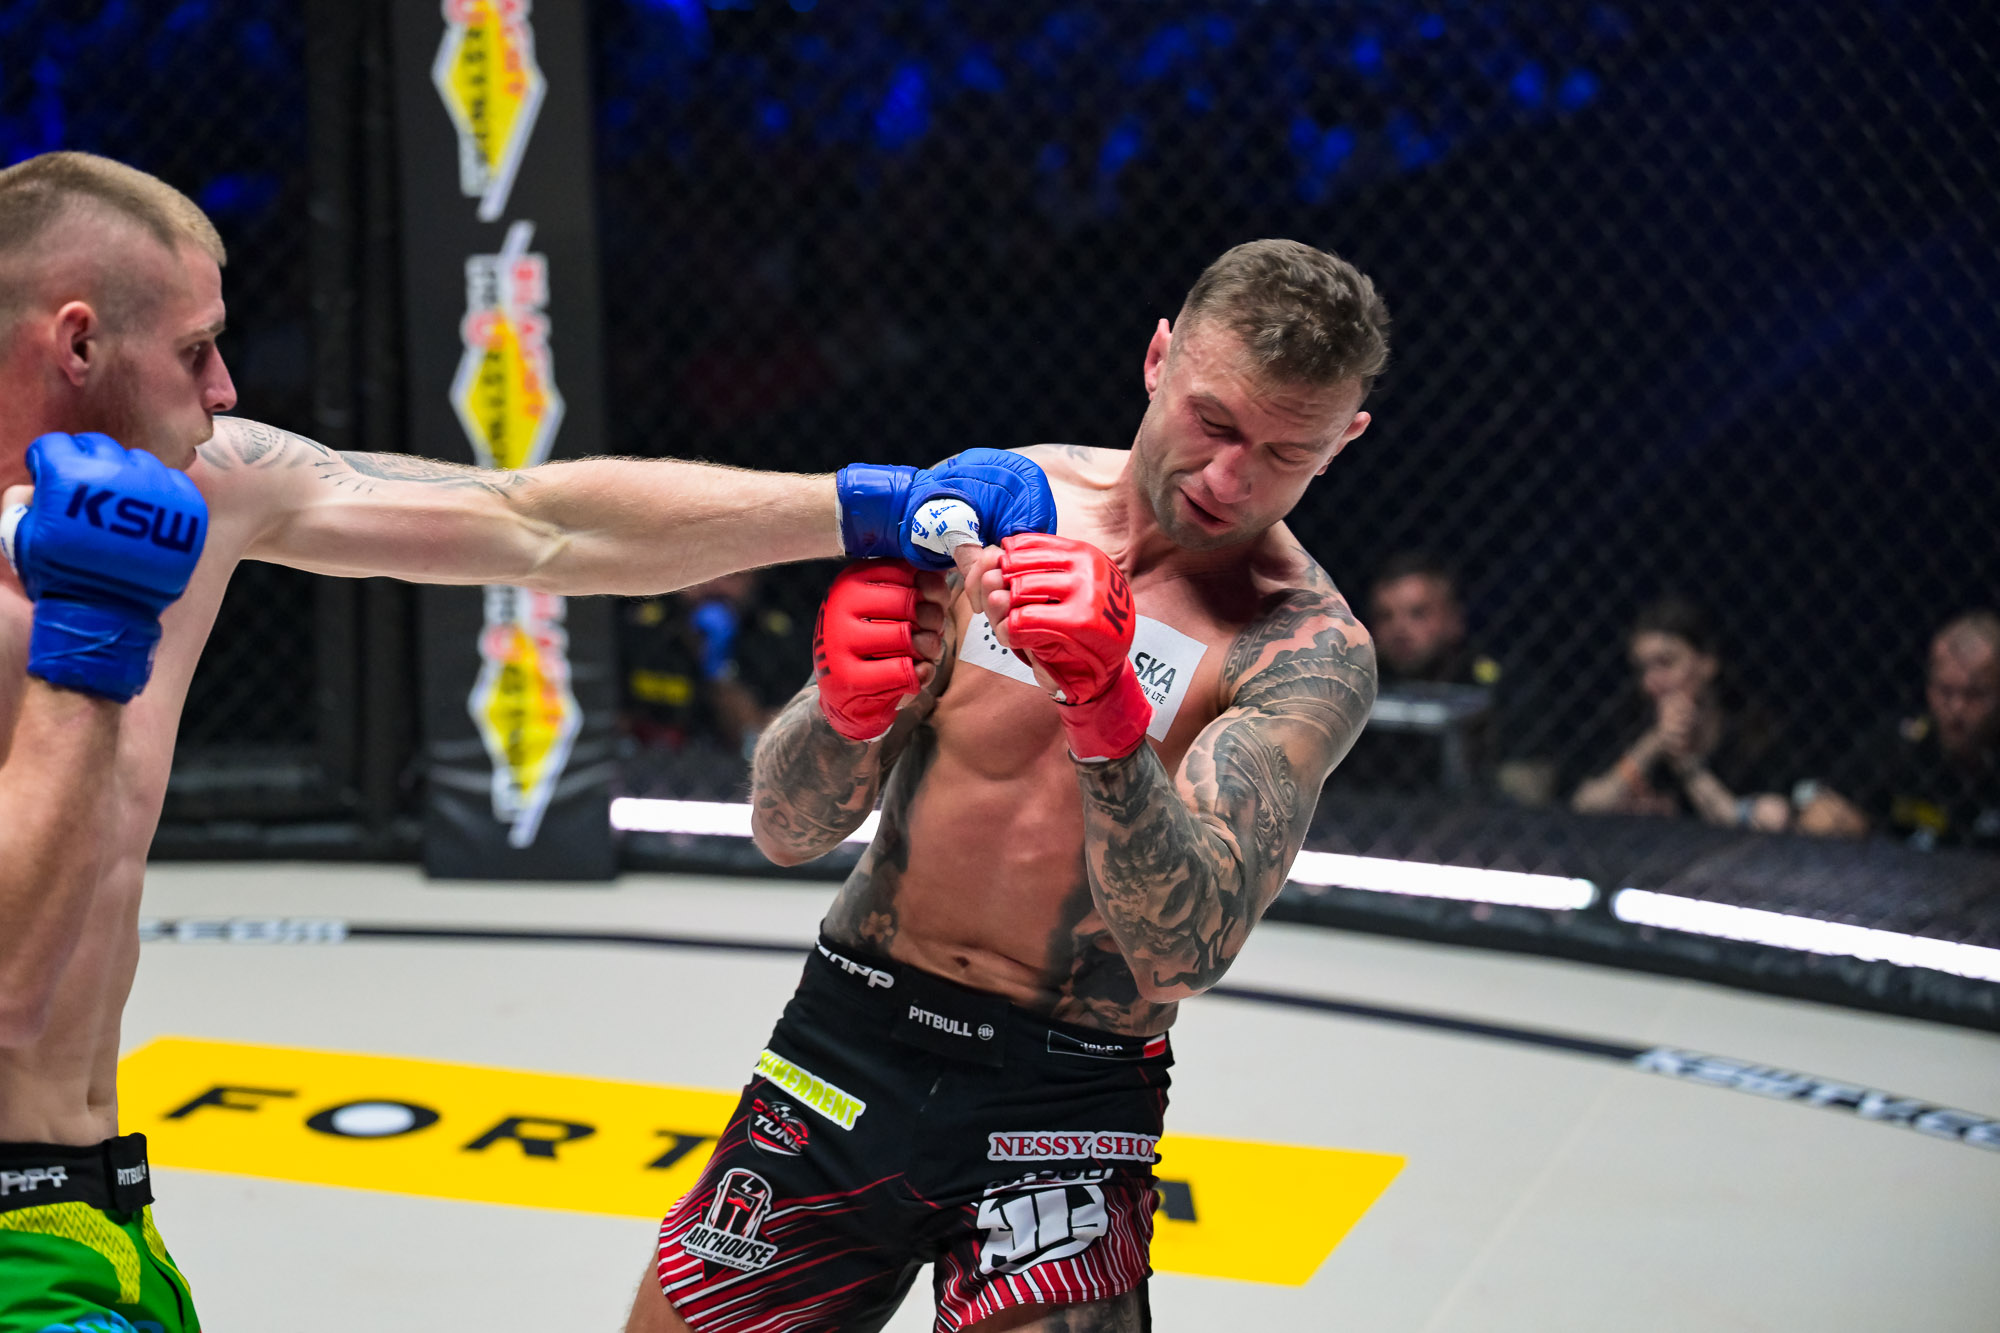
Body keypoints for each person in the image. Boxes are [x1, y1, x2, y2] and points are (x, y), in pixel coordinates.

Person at [0, 150, 1054, 1333]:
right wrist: (87, 649)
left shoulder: (198, 487)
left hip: (96, 1211)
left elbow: (533, 523)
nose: (228, 386)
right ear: (78, 343)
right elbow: (9, 995)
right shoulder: (103, 563)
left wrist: (866, 504)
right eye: (195, 350)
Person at [626, 239, 1389, 1332]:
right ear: (1157, 360)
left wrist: (1107, 715)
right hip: (851, 1033)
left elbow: (1183, 953)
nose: (1229, 479)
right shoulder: (997, 508)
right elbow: (786, 826)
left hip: (1069, 1094)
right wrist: (844, 708)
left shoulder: (1301, 647)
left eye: (1284, 452)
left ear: (1345, 439)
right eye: (1213, 422)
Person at [1571, 597, 1791, 830]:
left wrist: (1684, 760)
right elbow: (1583, 805)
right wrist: (1652, 744)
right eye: (1642, 669)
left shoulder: (1752, 734)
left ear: (1707, 664)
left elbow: (1754, 818)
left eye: (1665, 663)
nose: (1650, 683)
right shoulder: (1630, 721)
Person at [1795, 612, 2000, 851]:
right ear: (1929, 686)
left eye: (1975, 694)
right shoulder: (1905, 738)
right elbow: (1824, 817)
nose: (1957, 708)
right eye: (1945, 691)